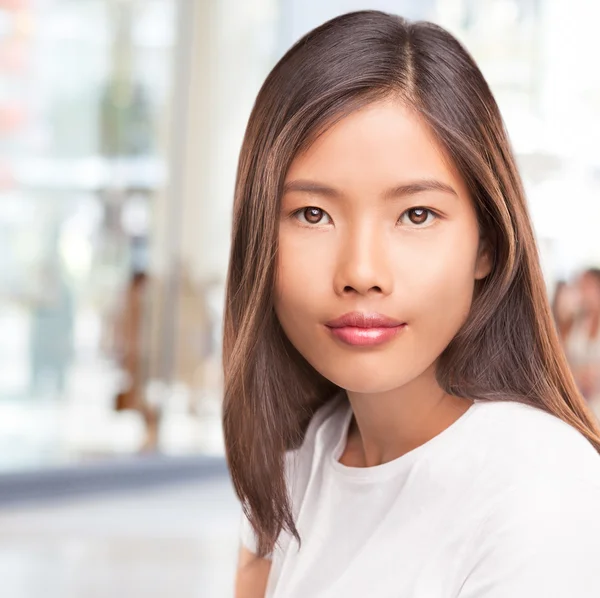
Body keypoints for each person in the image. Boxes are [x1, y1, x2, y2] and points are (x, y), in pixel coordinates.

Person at [222, 11, 600, 598]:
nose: (361, 273)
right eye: (312, 214)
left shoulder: (541, 490)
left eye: (416, 215)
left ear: (488, 245)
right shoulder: (297, 460)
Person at [564, 269, 600, 419]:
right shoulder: (572, 322)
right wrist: (577, 375)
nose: (584, 293)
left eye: (588, 287)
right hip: (578, 402)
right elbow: (561, 362)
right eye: (581, 287)